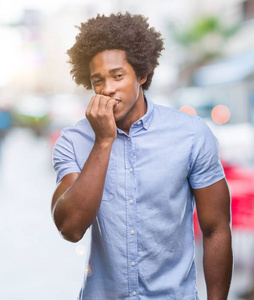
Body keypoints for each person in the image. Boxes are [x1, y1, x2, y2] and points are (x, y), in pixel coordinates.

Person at [51, 12, 232, 299]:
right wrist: (103, 142)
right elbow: (70, 228)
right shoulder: (73, 141)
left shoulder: (192, 135)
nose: (108, 88)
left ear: (142, 74)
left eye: (118, 75)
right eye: (98, 80)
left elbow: (216, 229)